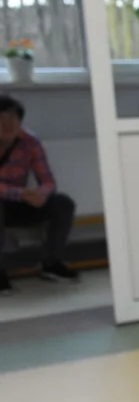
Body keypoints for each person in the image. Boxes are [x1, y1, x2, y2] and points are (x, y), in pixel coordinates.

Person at [0, 94, 79, 294]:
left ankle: (51, 263)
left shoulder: (30, 142)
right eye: (1, 120)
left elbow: (48, 181)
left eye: (13, 119)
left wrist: (41, 194)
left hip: (20, 202)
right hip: (9, 199)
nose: (7, 125)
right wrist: (20, 193)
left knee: (63, 203)